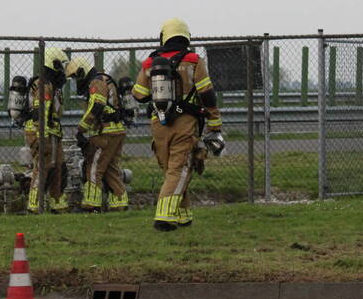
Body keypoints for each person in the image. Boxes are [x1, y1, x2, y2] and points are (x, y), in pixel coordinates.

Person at [131, 18, 224, 231]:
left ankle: (184, 216)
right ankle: (164, 217)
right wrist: (215, 124)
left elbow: (138, 94)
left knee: (171, 169)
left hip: (158, 122)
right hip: (185, 122)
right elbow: (207, 94)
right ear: (185, 36)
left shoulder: (150, 62)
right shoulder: (194, 60)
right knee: (180, 168)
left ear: (164, 36)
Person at [64, 57, 129, 212]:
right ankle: (120, 203)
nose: (75, 80)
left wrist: (81, 130)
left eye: (75, 77)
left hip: (105, 132)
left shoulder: (96, 82)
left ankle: (91, 204)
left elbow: (97, 106)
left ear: (82, 71)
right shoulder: (102, 79)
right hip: (115, 130)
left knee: (93, 167)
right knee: (111, 169)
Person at [24, 47, 70, 214]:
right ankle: (34, 204)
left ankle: (57, 203)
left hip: (52, 132)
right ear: (54, 64)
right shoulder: (44, 84)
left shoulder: (53, 86)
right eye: (61, 65)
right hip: (41, 132)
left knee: (58, 167)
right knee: (43, 167)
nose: (63, 70)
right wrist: (42, 136)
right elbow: (41, 112)